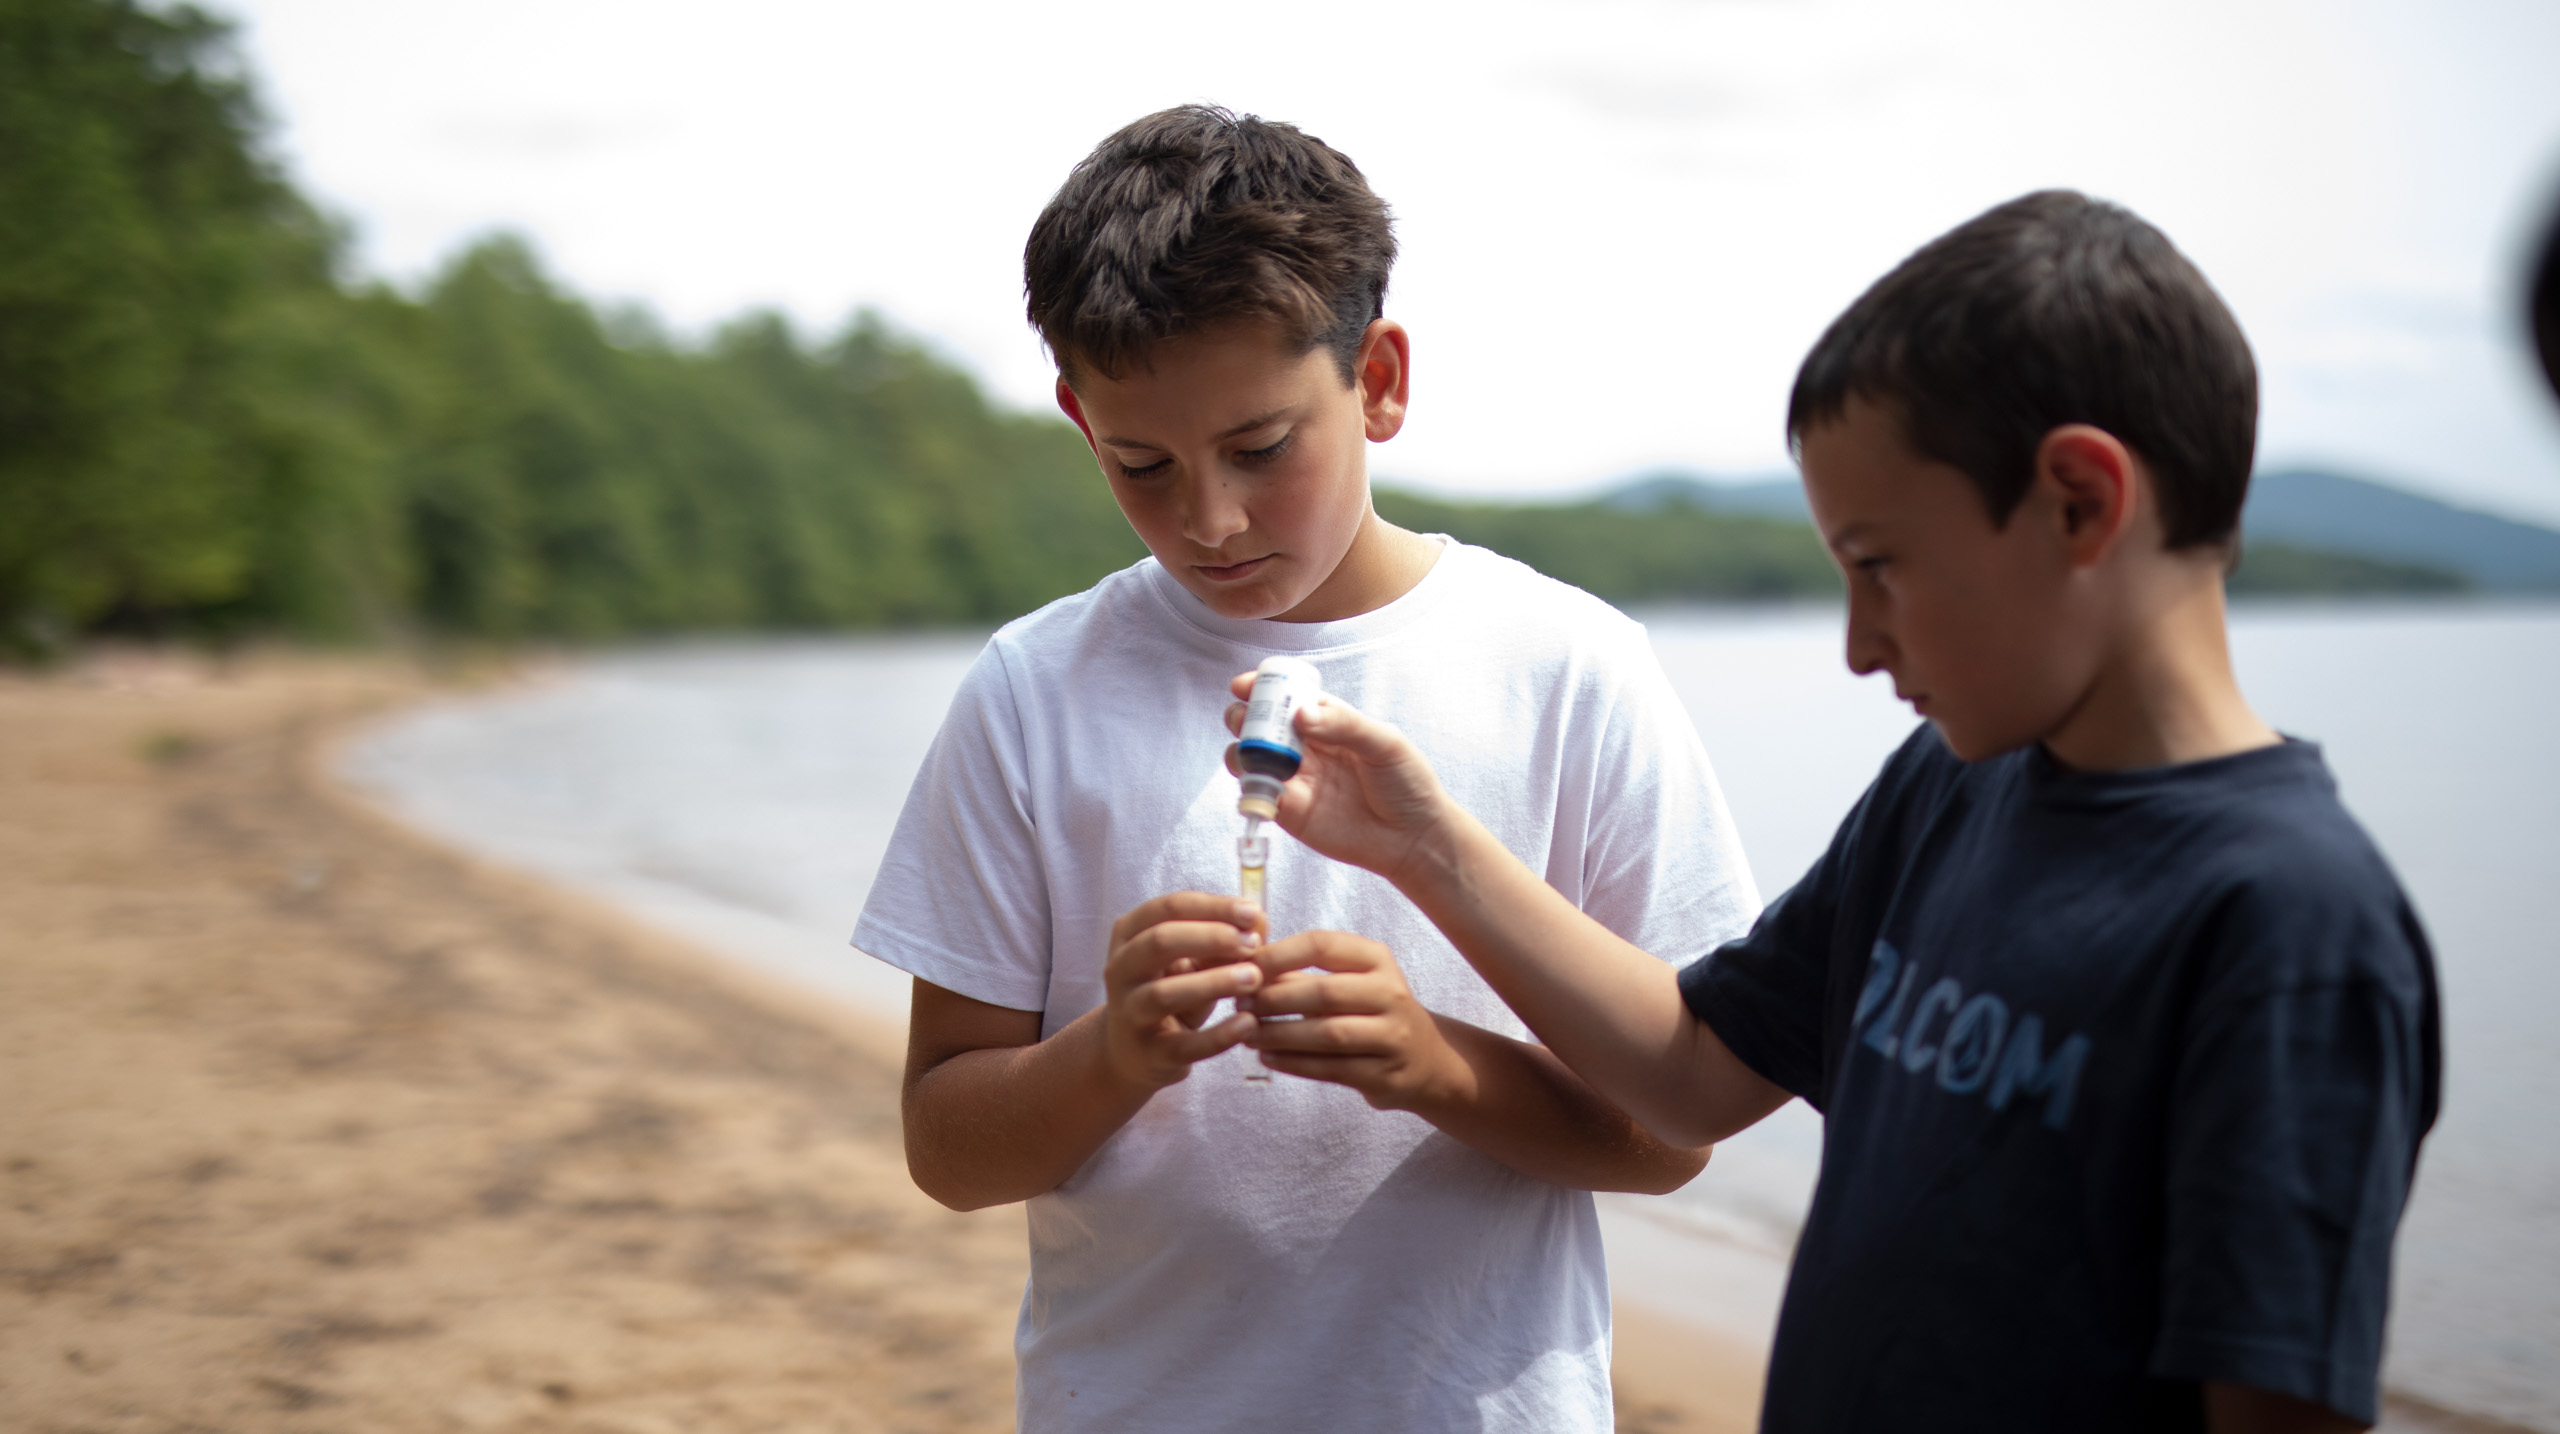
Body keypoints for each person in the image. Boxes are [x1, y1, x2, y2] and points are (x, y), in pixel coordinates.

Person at [1241, 191, 2441, 1433]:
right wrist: (1423, 845)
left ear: (2081, 501)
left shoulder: (2291, 929)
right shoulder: (1950, 785)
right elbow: (1696, 1073)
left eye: (1879, 567)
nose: (1861, 648)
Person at [851, 105, 1760, 1433]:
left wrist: (1435, 1064)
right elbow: (948, 1144)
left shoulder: (1567, 666)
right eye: (1141, 463)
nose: (1208, 520)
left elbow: (1677, 1131)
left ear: (1379, 377)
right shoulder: (1033, 692)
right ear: (1076, 416)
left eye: (1262, 450)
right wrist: (1113, 1052)